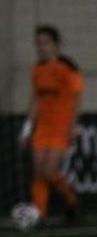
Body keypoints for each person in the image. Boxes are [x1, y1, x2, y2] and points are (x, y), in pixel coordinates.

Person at [18, 25, 82, 225]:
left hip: (60, 127)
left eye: (45, 43)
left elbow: (76, 97)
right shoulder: (37, 69)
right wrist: (27, 128)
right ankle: (40, 214)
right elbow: (35, 99)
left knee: (49, 172)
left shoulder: (68, 68)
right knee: (38, 172)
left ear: (56, 45)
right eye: (38, 44)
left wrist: (73, 125)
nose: (41, 48)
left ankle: (71, 199)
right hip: (42, 128)